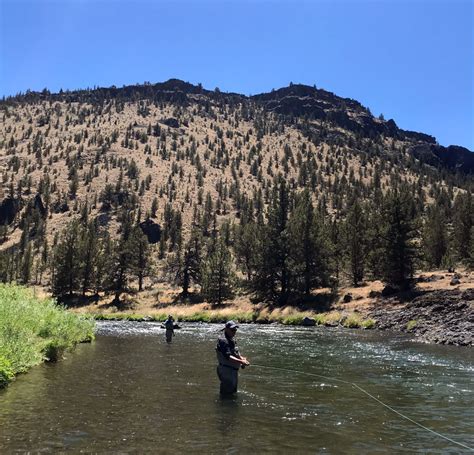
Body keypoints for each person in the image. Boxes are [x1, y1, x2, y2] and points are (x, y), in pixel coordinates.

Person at [216, 320, 250, 395]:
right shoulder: (223, 340)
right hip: (226, 371)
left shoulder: (231, 339)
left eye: (235, 330)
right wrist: (241, 362)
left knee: (232, 393)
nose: (234, 332)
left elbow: (235, 353)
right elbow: (228, 356)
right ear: (226, 329)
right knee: (226, 395)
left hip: (232, 371)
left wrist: (242, 359)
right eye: (232, 330)